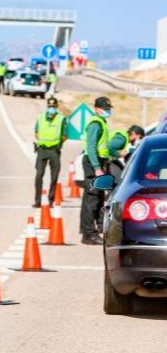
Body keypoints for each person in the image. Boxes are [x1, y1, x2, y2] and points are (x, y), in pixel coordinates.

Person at [79, 96, 112, 245]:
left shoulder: (102, 123)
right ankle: (88, 234)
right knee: (91, 199)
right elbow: (91, 148)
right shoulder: (95, 124)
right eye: (105, 109)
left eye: (108, 109)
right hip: (94, 164)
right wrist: (97, 168)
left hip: (99, 162)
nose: (107, 111)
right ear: (97, 109)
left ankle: (96, 231)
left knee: (98, 198)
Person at [33, 97, 68, 207]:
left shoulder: (61, 119)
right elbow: (36, 131)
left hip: (54, 150)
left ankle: (50, 200)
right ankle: (37, 201)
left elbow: (65, 135)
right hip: (42, 149)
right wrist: (40, 141)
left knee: (54, 177)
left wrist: (59, 144)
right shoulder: (41, 117)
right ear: (47, 107)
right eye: (50, 106)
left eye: (53, 106)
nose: (51, 108)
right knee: (39, 175)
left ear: (57, 107)